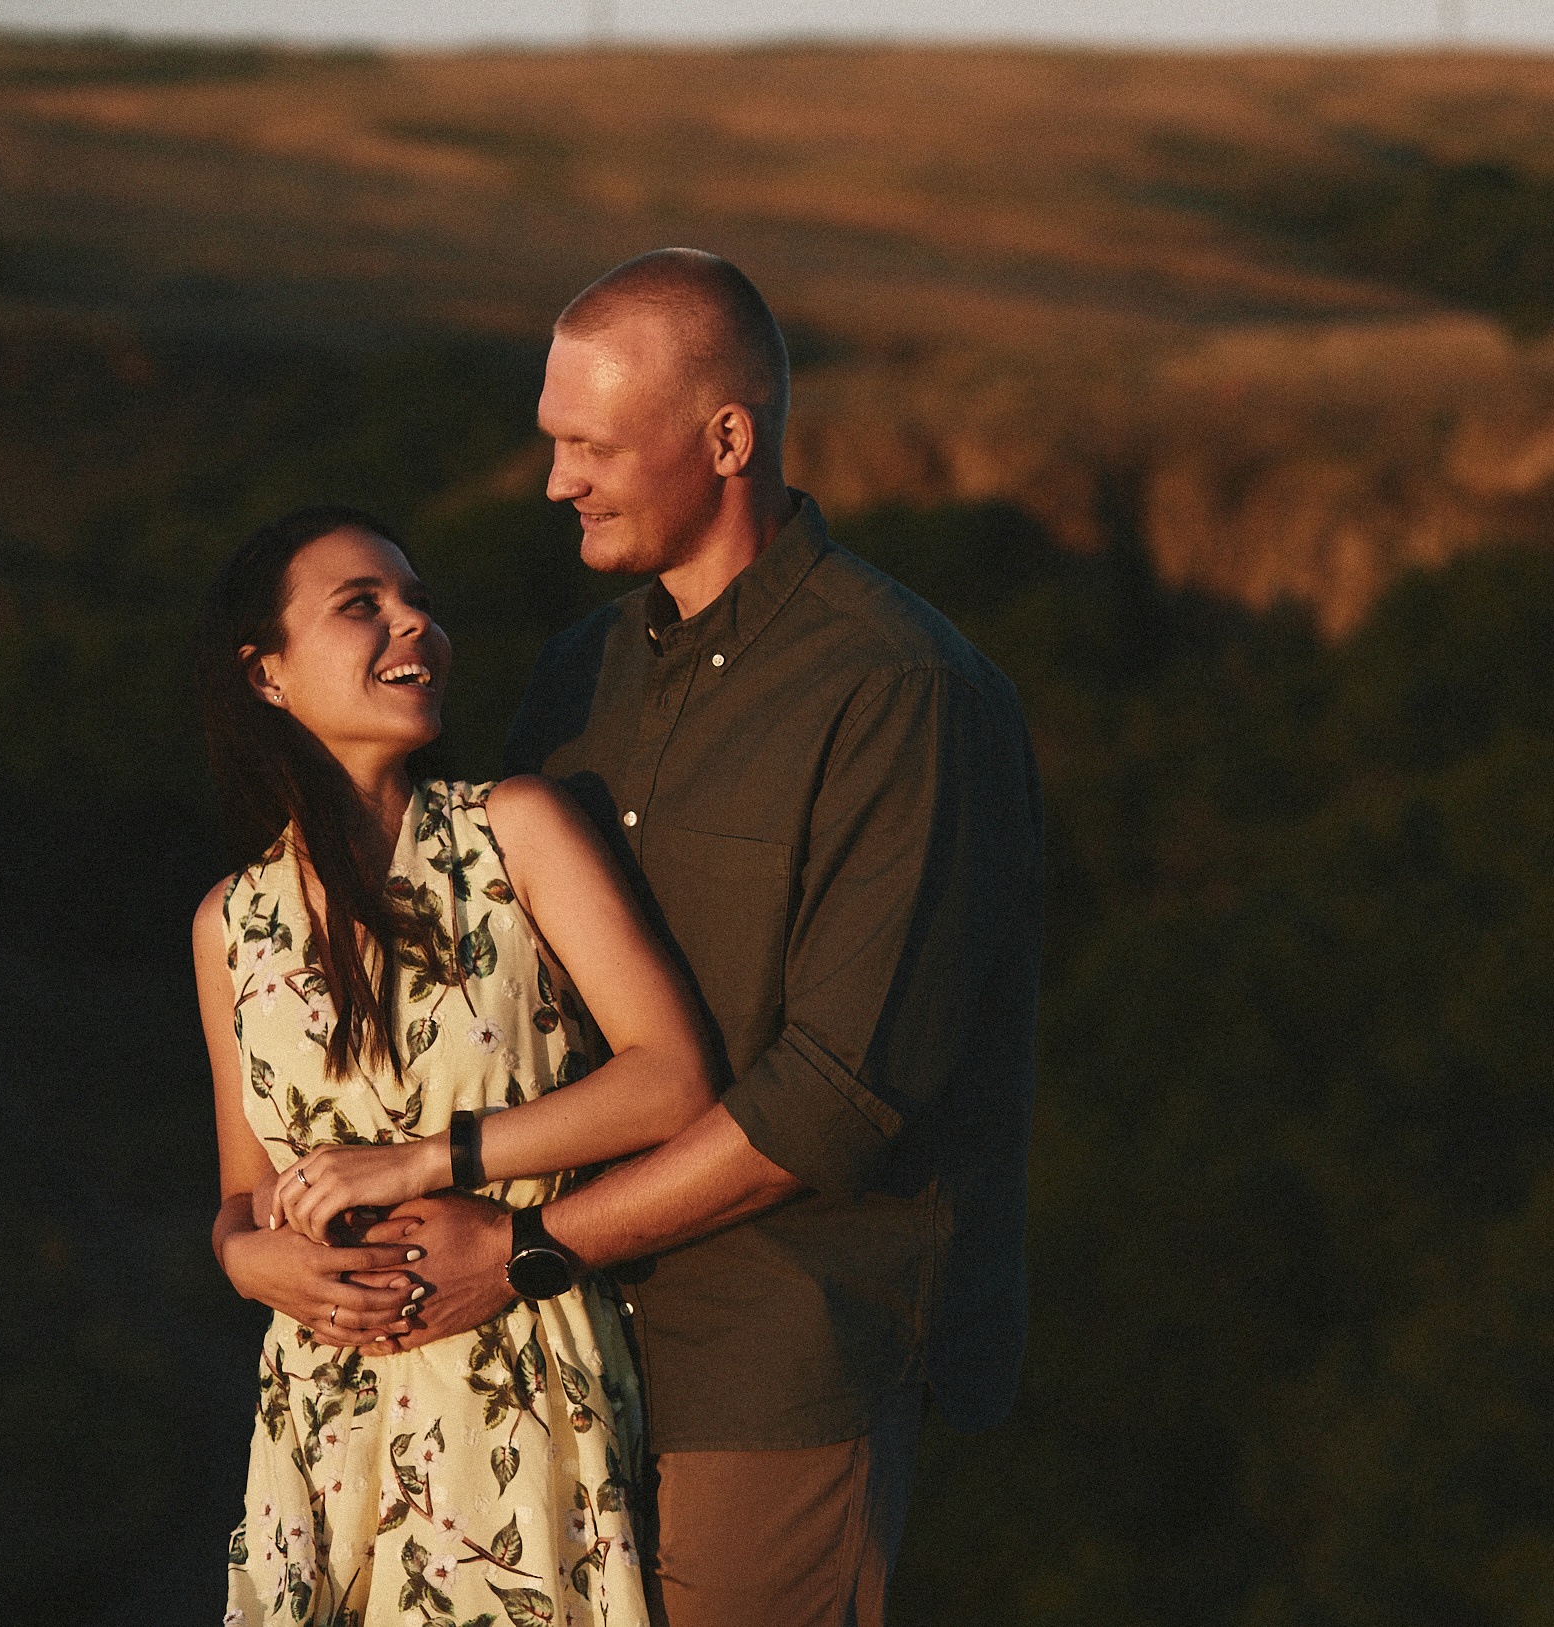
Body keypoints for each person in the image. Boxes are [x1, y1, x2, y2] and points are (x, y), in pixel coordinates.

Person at [359, 249, 1044, 1626]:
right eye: (552, 442)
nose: (556, 481)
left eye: (590, 444)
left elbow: (832, 1099)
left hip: (779, 1364)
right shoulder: (579, 672)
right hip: (556, 1358)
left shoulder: (902, 692)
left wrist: (528, 1243)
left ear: (729, 438)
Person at [194, 504, 721, 1626]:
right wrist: (251, 1265)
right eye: (363, 606)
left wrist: (421, 1161)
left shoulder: (514, 830)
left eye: (420, 601)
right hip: (325, 1406)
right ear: (267, 675)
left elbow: (671, 1078)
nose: (415, 625)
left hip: (515, 1378)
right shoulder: (230, 923)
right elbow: (240, 1195)